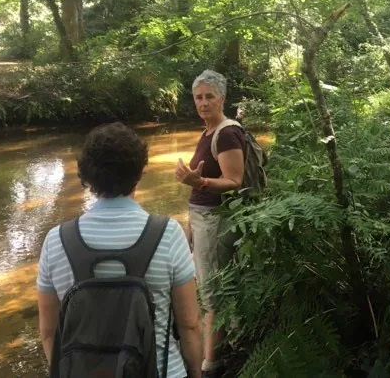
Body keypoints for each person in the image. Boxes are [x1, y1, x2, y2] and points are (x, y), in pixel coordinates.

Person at [37, 122, 202, 378]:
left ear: (87, 176)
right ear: (139, 172)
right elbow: (190, 325)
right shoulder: (168, 234)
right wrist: (195, 373)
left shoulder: (56, 241)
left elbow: (49, 333)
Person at [175, 70, 245, 378]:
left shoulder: (227, 133)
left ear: (222, 98)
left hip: (216, 221)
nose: (203, 103)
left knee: (212, 290)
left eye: (209, 97)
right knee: (210, 283)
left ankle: (211, 363)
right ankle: (231, 337)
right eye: (198, 97)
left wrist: (198, 181)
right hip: (202, 219)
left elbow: (234, 180)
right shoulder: (208, 131)